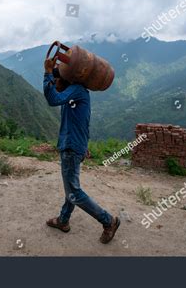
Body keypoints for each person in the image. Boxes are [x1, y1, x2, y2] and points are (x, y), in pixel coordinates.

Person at [43, 57, 120, 244]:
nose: (56, 84)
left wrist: (46, 73)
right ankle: (63, 220)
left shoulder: (76, 91)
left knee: (74, 192)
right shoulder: (79, 93)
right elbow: (83, 122)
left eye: (58, 80)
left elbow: (52, 99)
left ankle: (108, 221)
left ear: (68, 80)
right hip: (75, 146)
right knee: (71, 188)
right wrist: (84, 146)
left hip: (71, 148)